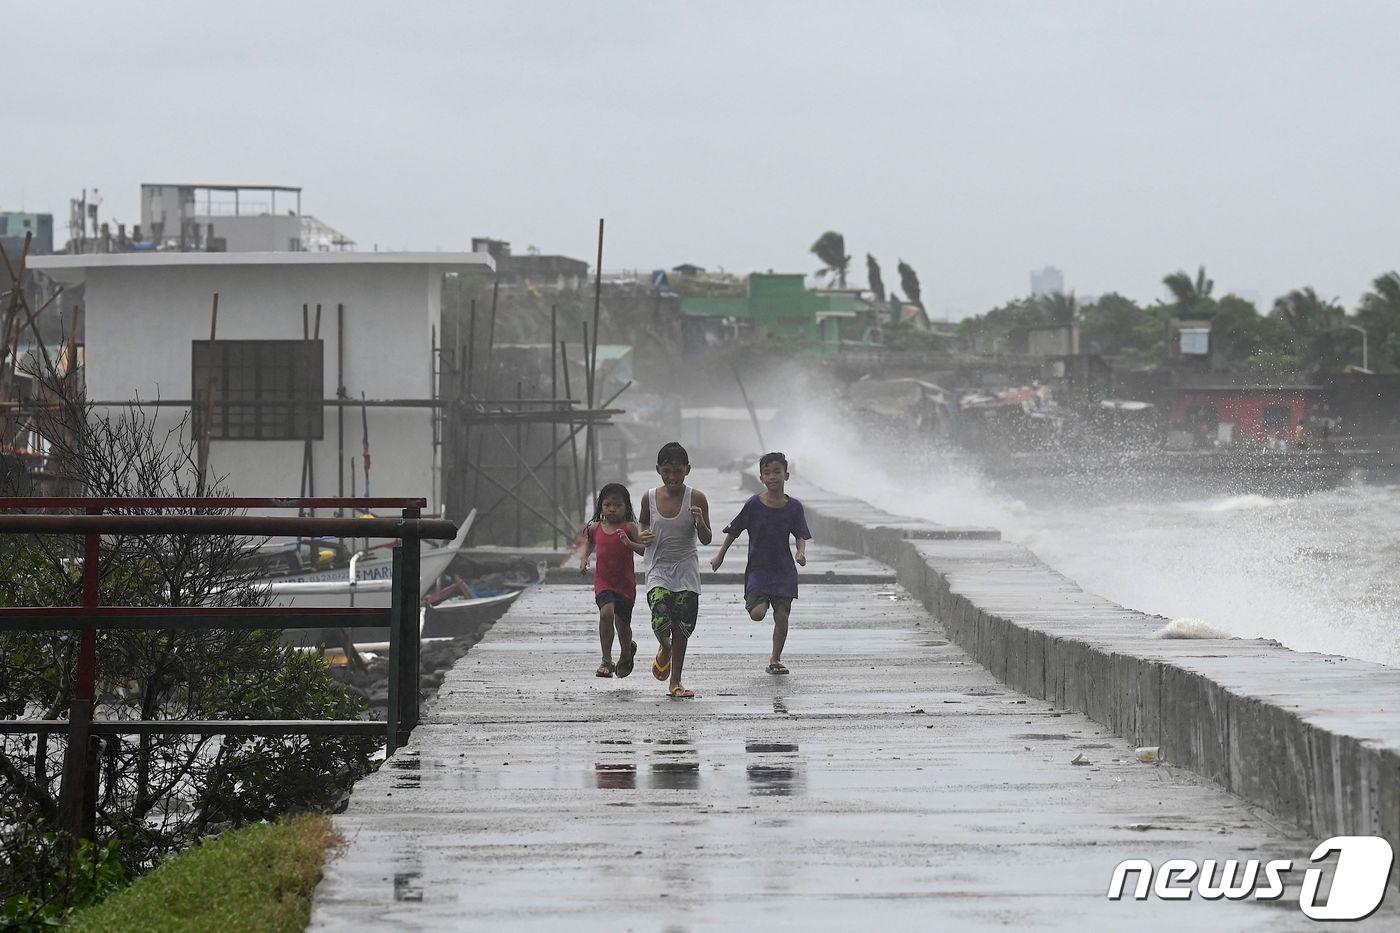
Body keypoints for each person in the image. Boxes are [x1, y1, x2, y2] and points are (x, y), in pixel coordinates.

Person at [710, 452, 811, 675]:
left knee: (782, 616)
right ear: (761, 478)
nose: (772, 476)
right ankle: (757, 600)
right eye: (767, 473)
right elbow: (734, 531)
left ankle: (775, 659)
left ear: (787, 475)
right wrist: (720, 555)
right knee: (757, 613)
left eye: (777, 472)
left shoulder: (794, 507)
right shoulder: (754, 504)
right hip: (758, 568)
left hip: (784, 570)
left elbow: (800, 533)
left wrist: (801, 552)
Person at [638, 441, 711, 699]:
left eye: (677, 471)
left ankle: (675, 682)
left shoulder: (697, 498)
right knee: (660, 616)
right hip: (658, 568)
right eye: (667, 471)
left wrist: (700, 522)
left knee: (682, 628)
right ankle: (664, 647)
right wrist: (642, 534)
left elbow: (706, 539)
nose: (672, 477)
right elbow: (643, 521)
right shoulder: (649, 497)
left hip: (686, 571)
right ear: (658, 469)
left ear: (687, 469)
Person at [580, 483, 646, 678]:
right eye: (607, 504)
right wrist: (584, 559)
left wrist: (630, 543)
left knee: (623, 624)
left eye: (617, 505)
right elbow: (590, 543)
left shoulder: (630, 527)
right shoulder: (594, 528)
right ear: (601, 507)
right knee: (606, 614)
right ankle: (606, 660)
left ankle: (627, 652)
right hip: (604, 582)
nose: (611, 509)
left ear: (626, 507)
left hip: (625, 585)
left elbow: (644, 551)